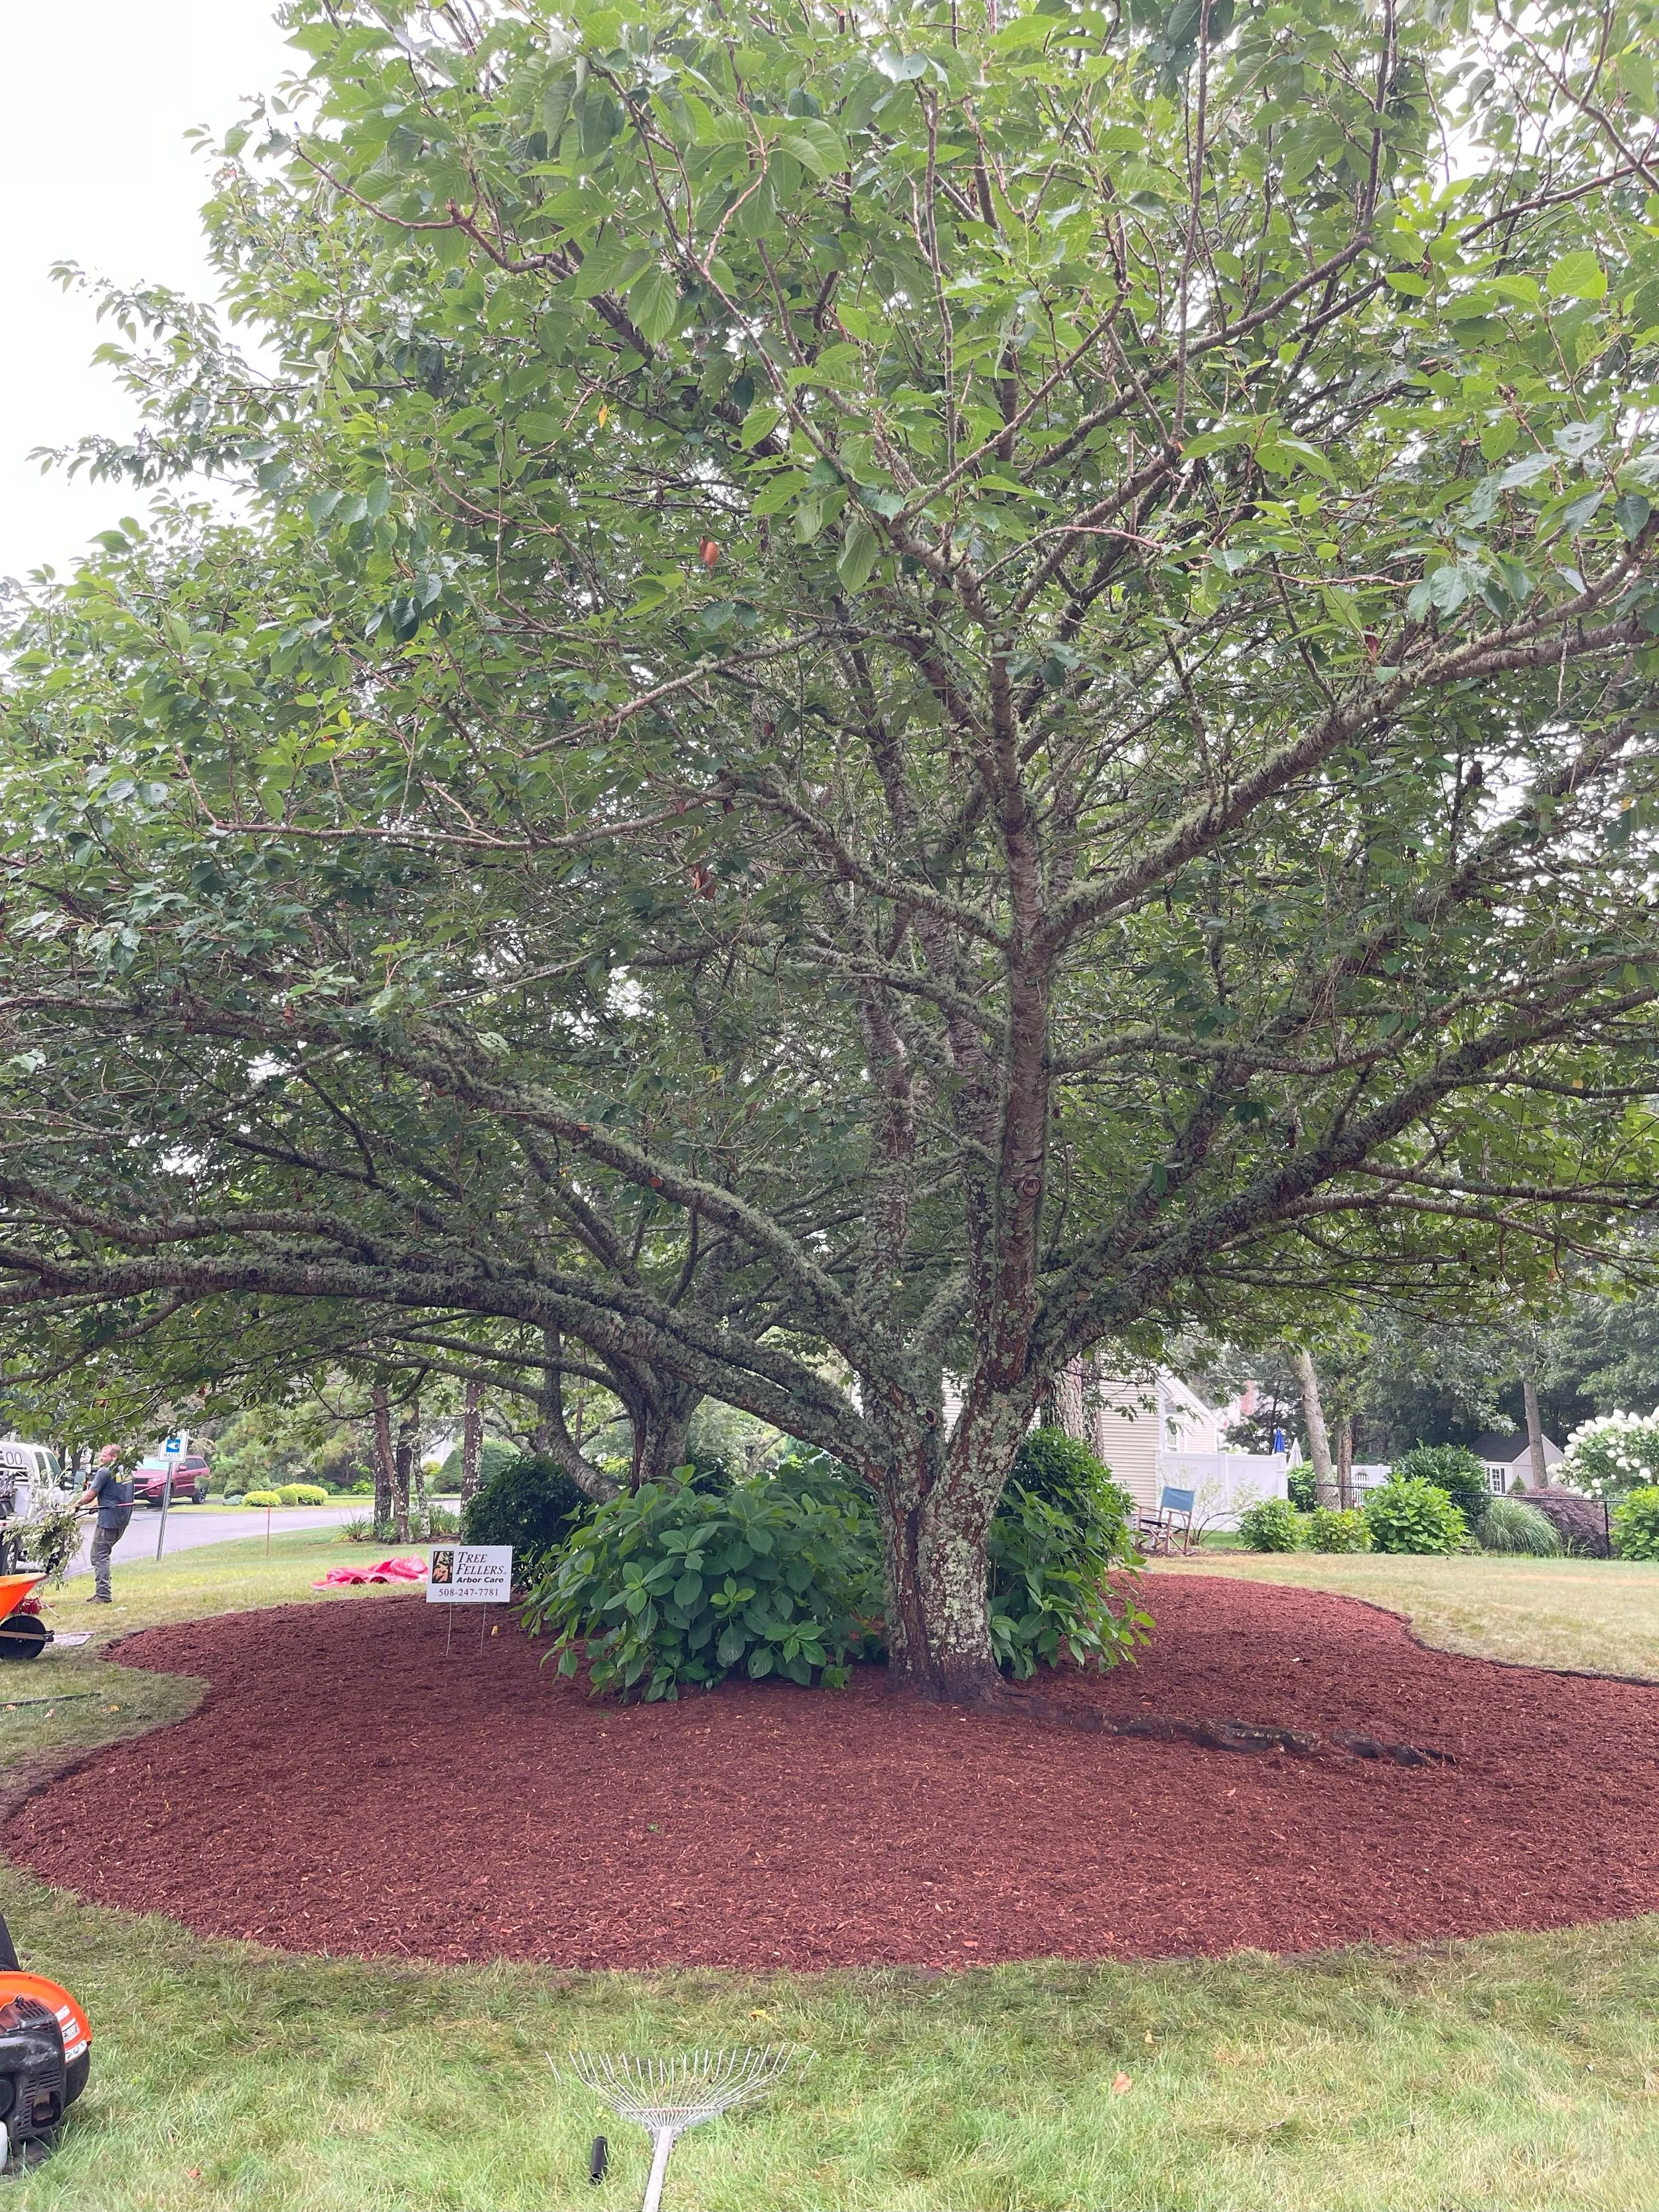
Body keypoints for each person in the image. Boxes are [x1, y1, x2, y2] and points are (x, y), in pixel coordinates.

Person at [74, 1446, 133, 1605]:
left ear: (114, 1457)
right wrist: (98, 1505)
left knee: (100, 1555)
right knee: (103, 1554)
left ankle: (103, 1594)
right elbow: (118, 1493)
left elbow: (90, 1495)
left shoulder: (105, 1471)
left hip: (108, 1520)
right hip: (122, 1519)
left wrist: (75, 1506)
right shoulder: (126, 1470)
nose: (101, 1459)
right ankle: (101, 1592)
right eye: (101, 1456)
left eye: (104, 1456)